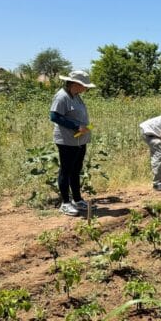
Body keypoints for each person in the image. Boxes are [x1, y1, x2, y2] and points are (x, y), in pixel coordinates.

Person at [49, 70, 95, 216]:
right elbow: (54, 116)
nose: (86, 88)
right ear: (75, 84)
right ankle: (65, 203)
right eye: (84, 85)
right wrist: (76, 126)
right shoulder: (62, 96)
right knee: (66, 170)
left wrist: (83, 127)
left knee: (76, 170)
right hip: (67, 140)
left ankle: (77, 199)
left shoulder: (76, 96)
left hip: (79, 139)